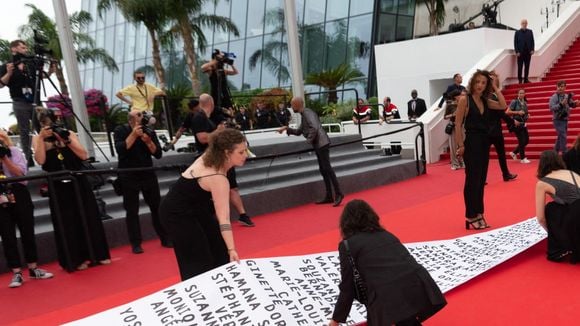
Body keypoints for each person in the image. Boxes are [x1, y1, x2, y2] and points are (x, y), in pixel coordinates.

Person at [329, 200, 446, 326]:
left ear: (346, 223)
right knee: (407, 319)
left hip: (388, 293)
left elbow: (347, 286)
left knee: (400, 314)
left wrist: (335, 321)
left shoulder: (347, 245)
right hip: (416, 284)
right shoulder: (386, 235)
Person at [160, 128, 246, 281]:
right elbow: (224, 218)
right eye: (240, 152)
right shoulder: (218, 178)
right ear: (226, 153)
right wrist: (232, 249)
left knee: (219, 248)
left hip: (196, 207)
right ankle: (200, 293)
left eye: (245, 150)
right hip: (176, 213)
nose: (245, 155)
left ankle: (222, 285)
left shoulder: (214, 155)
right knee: (199, 259)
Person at [32, 109, 111, 271]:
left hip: (78, 181)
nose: (48, 127)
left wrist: (65, 140)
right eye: (44, 124)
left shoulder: (68, 133)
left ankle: (98, 254)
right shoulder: (37, 139)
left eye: (50, 122)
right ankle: (75, 259)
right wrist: (41, 138)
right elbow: (40, 160)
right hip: (58, 185)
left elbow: (83, 155)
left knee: (88, 215)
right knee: (67, 221)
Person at [0, 130, 53, 288]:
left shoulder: (14, 151)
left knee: (27, 231)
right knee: (7, 235)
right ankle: (16, 273)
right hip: (0, 196)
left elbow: (21, 175)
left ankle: (33, 268)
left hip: (18, 192)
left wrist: (4, 158)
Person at [455, 70, 507, 230]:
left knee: (480, 181)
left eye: (484, 83)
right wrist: (460, 145)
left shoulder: (485, 100)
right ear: (473, 82)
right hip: (471, 143)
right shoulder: (465, 99)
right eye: (478, 82)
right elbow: (458, 124)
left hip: (484, 143)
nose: (480, 85)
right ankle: (470, 215)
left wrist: (495, 88)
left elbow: (503, 106)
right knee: (472, 180)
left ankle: (479, 213)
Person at [192, 94, 254, 227]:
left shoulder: (209, 118)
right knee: (214, 191)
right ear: (211, 103)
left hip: (222, 158)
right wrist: (218, 131)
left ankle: (243, 215)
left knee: (233, 187)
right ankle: (214, 220)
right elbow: (202, 139)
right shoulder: (198, 117)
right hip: (210, 161)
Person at [114, 110, 171, 254]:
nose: (142, 117)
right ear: (131, 119)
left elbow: (157, 154)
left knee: (156, 207)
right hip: (128, 175)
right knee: (132, 210)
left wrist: (148, 141)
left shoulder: (149, 131)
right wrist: (134, 134)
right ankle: (136, 243)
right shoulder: (121, 130)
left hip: (147, 173)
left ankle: (165, 238)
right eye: (139, 115)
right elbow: (121, 149)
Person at [278, 96, 344, 207]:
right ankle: (329, 195)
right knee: (323, 169)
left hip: (321, 144)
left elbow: (314, 127)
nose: (291, 107)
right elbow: (299, 131)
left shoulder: (307, 113)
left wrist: (308, 141)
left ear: (297, 104)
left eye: (292, 105)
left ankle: (338, 193)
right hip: (319, 144)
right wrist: (286, 129)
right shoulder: (304, 114)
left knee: (327, 169)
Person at [0, 40, 54, 166]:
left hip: (36, 100)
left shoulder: (31, 63)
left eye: (25, 47)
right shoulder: (7, 65)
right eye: (22, 47)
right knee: (24, 131)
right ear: (14, 49)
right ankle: (28, 159)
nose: (25, 50)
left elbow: (42, 77)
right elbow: (1, 84)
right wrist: (9, 73)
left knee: (44, 126)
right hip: (19, 101)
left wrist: (51, 70)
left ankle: (49, 154)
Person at [535, 150, 580, 263]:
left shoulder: (543, 183)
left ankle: (561, 248)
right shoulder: (572, 173)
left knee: (550, 208)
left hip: (576, 218)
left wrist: (553, 234)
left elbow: (540, 218)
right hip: (576, 213)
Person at [487, 74, 518, 181]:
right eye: (492, 81)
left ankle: (505, 174)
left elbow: (502, 112)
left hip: (492, 130)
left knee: (498, 154)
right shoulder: (488, 97)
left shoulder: (491, 96)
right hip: (491, 131)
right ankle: (504, 174)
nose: (494, 83)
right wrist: (512, 121)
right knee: (493, 155)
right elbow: (502, 112)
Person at [549, 80, 579, 154]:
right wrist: (561, 104)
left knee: (560, 136)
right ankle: (565, 153)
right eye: (559, 86)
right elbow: (551, 108)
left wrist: (576, 104)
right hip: (558, 119)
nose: (560, 88)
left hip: (565, 119)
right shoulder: (554, 97)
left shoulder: (566, 96)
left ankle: (554, 153)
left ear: (565, 87)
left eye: (562, 86)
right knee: (563, 136)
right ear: (557, 87)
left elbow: (571, 104)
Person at [506, 89, 531, 163]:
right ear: (517, 94)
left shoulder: (525, 102)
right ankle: (522, 158)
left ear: (525, 94)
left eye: (522, 93)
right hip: (516, 123)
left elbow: (525, 113)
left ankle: (514, 152)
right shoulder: (514, 102)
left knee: (526, 140)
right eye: (520, 93)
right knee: (521, 140)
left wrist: (527, 115)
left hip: (523, 123)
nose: (521, 94)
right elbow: (507, 112)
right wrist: (517, 112)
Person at [443, 89, 465, 170]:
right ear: (456, 97)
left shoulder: (463, 104)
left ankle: (462, 162)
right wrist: (453, 114)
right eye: (460, 95)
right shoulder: (450, 105)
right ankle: (455, 164)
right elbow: (445, 117)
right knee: (453, 146)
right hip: (453, 127)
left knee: (462, 145)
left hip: (462, 126)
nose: (462, 96)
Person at [514, 19, 535, 84]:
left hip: (528, 52)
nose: (524, 24)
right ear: (521, 24)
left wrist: (532, 49)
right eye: (523, 23)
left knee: (527, 66)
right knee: (520, 67)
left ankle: (526, 79)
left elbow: (532, 41)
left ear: (527, 24)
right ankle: (520, 80)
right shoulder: (517, 32)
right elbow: (515, 43)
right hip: (520, 53)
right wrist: (517, 51)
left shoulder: (530, 31)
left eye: (525, 23)